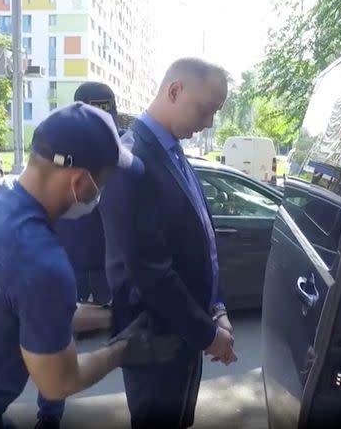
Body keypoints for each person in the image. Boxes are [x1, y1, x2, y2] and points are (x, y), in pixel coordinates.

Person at [0, 103, 180, 428]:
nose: (103, 192)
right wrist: (122, 351)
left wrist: (114, 316)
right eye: (104, 181)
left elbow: (21, 309)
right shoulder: (39, 260)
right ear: (79, 180)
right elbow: (59, 382)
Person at [98, 57, 238, 428]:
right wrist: (209, 335)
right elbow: (151, 273)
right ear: (175, 91)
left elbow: (202, 242)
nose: (208, 123)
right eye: (206, 109)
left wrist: (217, 307)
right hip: (154, 342)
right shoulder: (130, 162)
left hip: (182, 337)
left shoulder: (173, 153)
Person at [35, 82, 122, 429]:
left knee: (117, 329)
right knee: (59, 338)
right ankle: (50, 414)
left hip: (107, 264)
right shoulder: (55, 150)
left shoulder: (120, 151)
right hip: (67, 262)